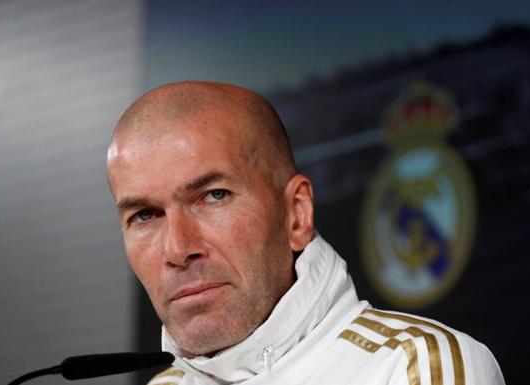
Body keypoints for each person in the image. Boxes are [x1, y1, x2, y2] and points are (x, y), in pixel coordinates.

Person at [106, 81, 505, 385]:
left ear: (297, 214)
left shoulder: (411, 367)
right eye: (144, 216)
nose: (177, 249)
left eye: (213, 196)